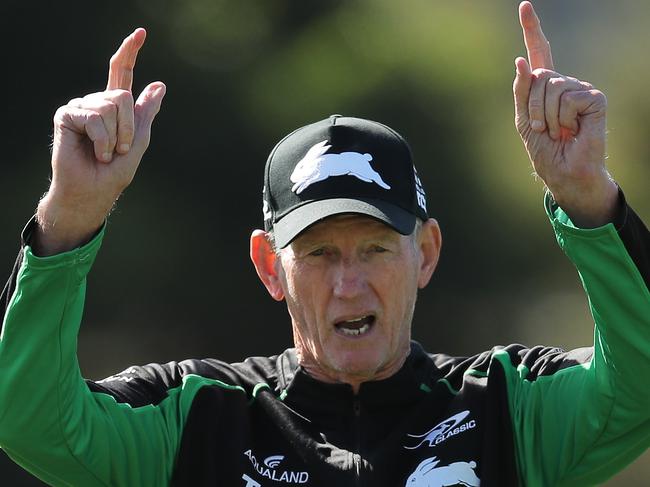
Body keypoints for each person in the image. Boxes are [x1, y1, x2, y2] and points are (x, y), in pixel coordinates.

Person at [0, 1, 648, 485]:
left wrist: (587, 196)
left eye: (373, 248)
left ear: (425, 253)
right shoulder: (194, 418)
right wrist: (70, 216)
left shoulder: (508, 404)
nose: (348, 284)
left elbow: (638, 386)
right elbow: (27, 417)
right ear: (268, 266)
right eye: (318, 252)